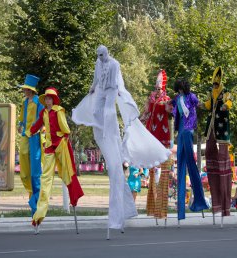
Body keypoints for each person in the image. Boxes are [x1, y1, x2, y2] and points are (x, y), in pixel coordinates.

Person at [72, 45, 170, 238]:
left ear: (107, 53)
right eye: (98, 55)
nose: (100, 58)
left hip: (111, 91)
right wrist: (93, 88)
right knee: (95, 111)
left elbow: (117, 83)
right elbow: (95, 78)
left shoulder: (115, 64)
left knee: (108, 112)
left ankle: (109, 131)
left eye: (102, 55)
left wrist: (117, 93)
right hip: (100, 90)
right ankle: (102, 129)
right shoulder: (98, 64)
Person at [28, 87, 84, 229]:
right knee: (45, 178)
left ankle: (74, 198)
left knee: (67, 173)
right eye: (46, 98)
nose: (48, 100)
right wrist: (28, 132)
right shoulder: (44, 112)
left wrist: (63, 141)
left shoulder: (59, 111)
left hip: (60, 145)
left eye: (50, 98)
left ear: (54, 100)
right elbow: (37, 125)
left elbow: (66, 130)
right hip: (49, 148)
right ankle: (39, 214)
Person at [170, 78, 209, 221]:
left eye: (180, 87)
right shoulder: (177, 98)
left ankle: (199, 201)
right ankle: (181, 210)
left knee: (190, 164)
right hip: (181, 129)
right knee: (180, 163)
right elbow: (170, 106)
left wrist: (209, 104)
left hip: (188, 128)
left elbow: (199, 105)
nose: (179, 89)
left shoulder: (191, 96)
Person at [140, 69, 173, 219]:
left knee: (162, 168)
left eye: (160, 86)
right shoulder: (151, 98)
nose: (158, 89)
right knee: (153, 170)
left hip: (163, 134)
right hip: (152, 133)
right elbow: (146, 112)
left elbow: (171, 112)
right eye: (157, 86)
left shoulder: (167, 99)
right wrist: (138, 120)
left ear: (164, 86)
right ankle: (152, 207)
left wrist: (171, 105)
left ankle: (162, 207)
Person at [202, 67, 233, 218]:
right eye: (213, 83)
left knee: (222, 155)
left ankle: (225, 205)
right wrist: (201, 105)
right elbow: (208, 104)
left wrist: (227, 105)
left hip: (222, 127)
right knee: (208, 151)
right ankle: (216, 205)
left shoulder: (225, 91)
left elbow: (230, 101)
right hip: (211, 126)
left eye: (216, 84)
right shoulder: (211, 92)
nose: (214, 86)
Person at [17, 74, 44, 216]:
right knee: (22, 156)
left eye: (26, 89)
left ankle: (36, 201)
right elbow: (22, 117)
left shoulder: (39, 102)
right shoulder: (25, 102)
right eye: (24, 90)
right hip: (25, 136)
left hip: (35, 137)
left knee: (35, 169)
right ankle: (31, 192)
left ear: (31, 90)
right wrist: (19, 124)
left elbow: (42, 118)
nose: (24, 92)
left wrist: (41, 130)